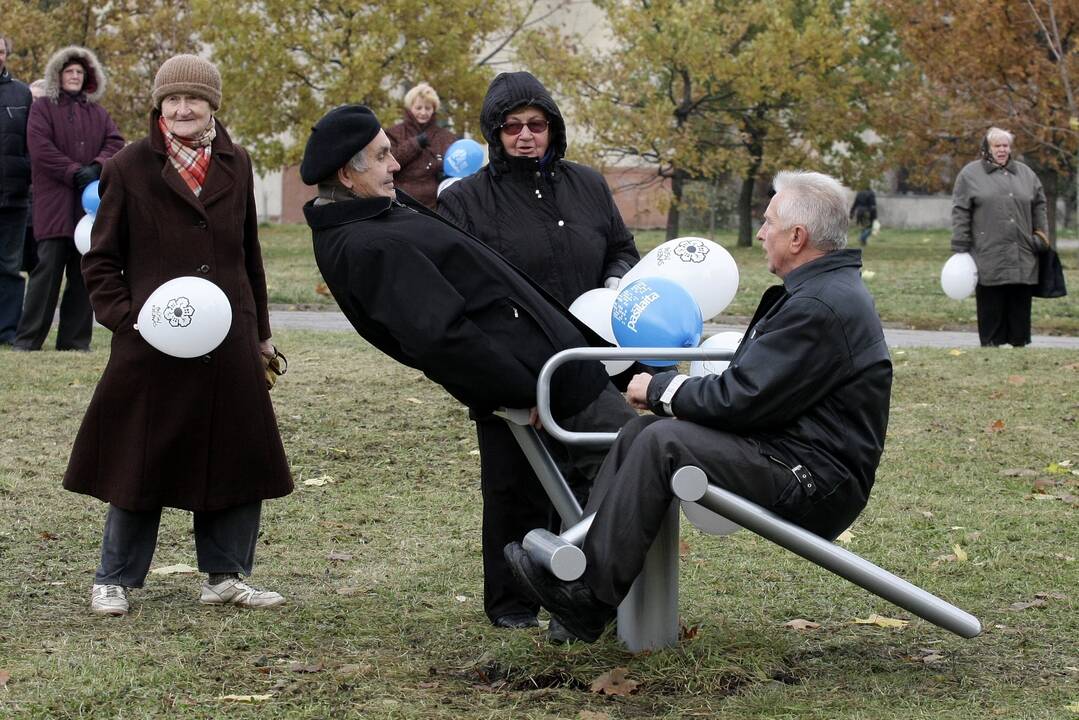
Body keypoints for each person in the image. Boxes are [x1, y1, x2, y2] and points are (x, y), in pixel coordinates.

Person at [504, 170, 894, 643]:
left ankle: (590, 594)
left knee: (663, 440)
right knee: (637, 434)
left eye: (768, 222)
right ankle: (585, 579)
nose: (760, 233)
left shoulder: (822, 305)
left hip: (814, 479)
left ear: (798, 236)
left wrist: (660, 389)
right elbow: (758, 393)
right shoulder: (821, 294)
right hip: (794, 455)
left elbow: (743, 398)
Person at [300, 104, 636, 630]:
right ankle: (580, 599)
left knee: (588, 480)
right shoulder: (370, 242)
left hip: (546, 363)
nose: (398, 165)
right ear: (347, 172)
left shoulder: (376, 212)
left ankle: (570, 599)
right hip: (540, 376)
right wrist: (524, 391)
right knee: (632, 467)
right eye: (383, 157)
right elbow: (442, 337)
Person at [64, 55, 293, 616]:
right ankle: (113, 578)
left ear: (212, 105)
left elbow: (249, 256)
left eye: (193, 99)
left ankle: (225, 575)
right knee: (139, 457)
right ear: (159, 105)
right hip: (154, 339)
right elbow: (102, 257)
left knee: (235, 455)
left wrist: (259, 332)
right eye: (172, 100)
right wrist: (127, 319)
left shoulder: (237, 164)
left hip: (230, 337)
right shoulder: (128, 166)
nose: (182, 109)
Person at [438, 71, 640, 630]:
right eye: (512, 127)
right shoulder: (468, 200)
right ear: (493, 133)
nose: (526, 136)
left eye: (536, 124)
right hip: (512, 365)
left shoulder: (589, 185)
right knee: (514, 487)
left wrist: (618, 280)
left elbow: (621, 247)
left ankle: (582, 596)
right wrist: (507, 380)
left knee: (597, 475)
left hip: (592, 361)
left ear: (553, 127)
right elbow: (467, 292)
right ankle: (512, 606)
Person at [13, 46, 124, 352]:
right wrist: (74, 171)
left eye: (80, 72)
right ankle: (28, 339)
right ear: (58, 75)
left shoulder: (97, 112)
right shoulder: (43, 108)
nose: (75, 76)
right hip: (54, 204)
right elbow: (40, 147)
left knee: (83, 273)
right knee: (45, 272)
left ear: (87, 78)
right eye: (69, 72)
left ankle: (75, 341)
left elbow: (115, 143)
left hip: (87, 211)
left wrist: (97, 166)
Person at [951, 127, 1048, 347]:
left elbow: (1040, 205)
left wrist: (1041, 237)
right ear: (987, 148)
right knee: (991, 298)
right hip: (987, 250)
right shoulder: (970, 175)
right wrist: (960, 244)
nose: (1002, 150)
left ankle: (1019, 342)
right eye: (997, 146)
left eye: (1006, 145)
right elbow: (960, 210)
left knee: (1019, 298)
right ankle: (991, 343)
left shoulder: (1026, 174)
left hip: (1023, 250)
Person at [0, 34, 32, 345]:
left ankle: (7, 331)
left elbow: (31, 144)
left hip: (14, 197)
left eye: (0, 51)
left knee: (10, 267)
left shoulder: (22, 94)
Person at [384, 82, 456, 210]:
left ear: (434, 109)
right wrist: (415, 144)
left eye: (428, 108)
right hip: (401, 204)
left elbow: (454, 167)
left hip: (434, 206)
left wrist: (444, 172)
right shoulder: (394, 133)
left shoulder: (445, 136)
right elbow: (389, 163)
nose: (423, 112)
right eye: (419, 108)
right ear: (410, 108)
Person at [20, 80, 46, 277]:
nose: (33, 103)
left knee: (38, 269)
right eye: (31, 98)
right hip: (18, 208)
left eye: (39, 99)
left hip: (43, 214)